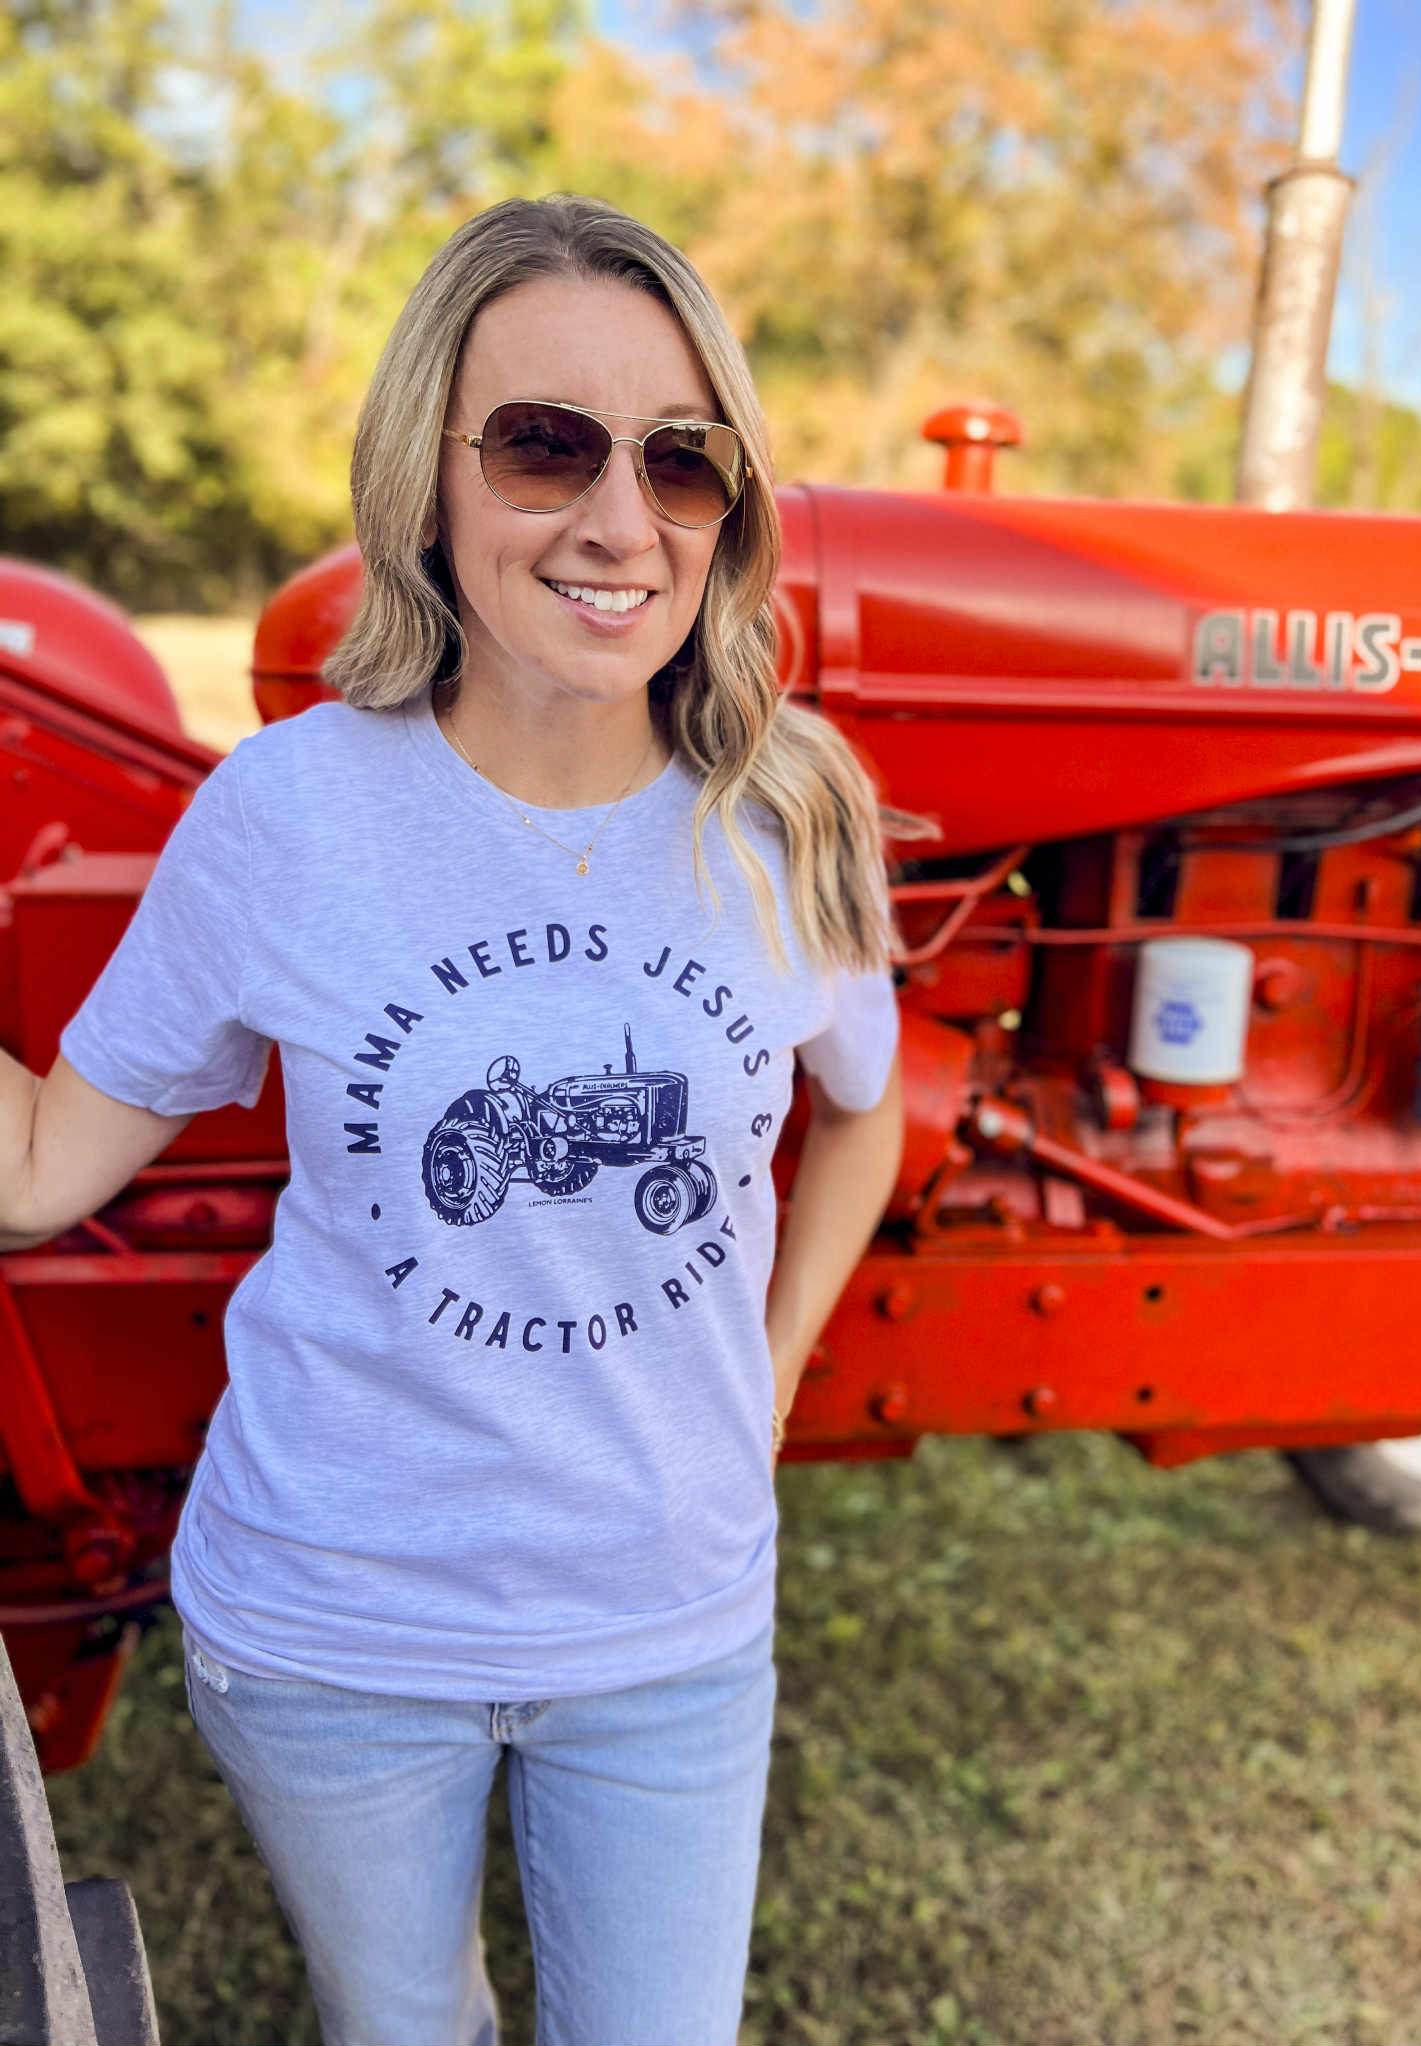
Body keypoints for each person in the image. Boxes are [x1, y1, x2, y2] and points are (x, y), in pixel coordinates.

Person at [0, 194, 909, 2046]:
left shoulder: (787, 815)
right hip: (330, 1625)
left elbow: (866, 1114)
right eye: (545, 444)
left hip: (667, 1622)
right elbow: (36, 1169)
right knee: (406, 2025)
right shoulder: (289, 814)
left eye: (680, 458)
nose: (618, 519)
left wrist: (770, 1372)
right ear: (426, 476)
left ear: (727, 508)